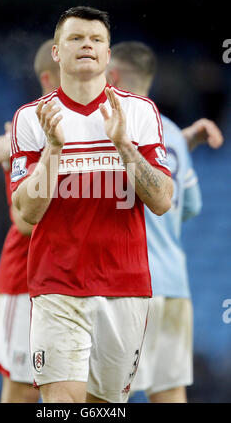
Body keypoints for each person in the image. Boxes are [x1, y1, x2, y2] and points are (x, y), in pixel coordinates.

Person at [10, 6, 173, 403]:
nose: (87, 45)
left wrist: (124, 146)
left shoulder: (137, 112)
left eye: (97, 39)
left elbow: (163, 200)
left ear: (107, 53)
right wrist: (53, 150)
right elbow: (26, 213)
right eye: (76, 38)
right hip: (56, 286)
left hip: (125, 286)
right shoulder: (32, 118)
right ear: (56, 52)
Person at [106, 41, 223, 403]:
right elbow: (189, 207)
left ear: (112, 76)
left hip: (122, 283)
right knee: (169, 393)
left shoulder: (100, 132)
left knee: (108, 397)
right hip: (172, 284)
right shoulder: (171, 133)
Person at [0, 39, 60, 403]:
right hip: (26, 278)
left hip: (69, 278)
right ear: (49, 78)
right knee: (22, 392)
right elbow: (24, 221)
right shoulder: (28, 125)